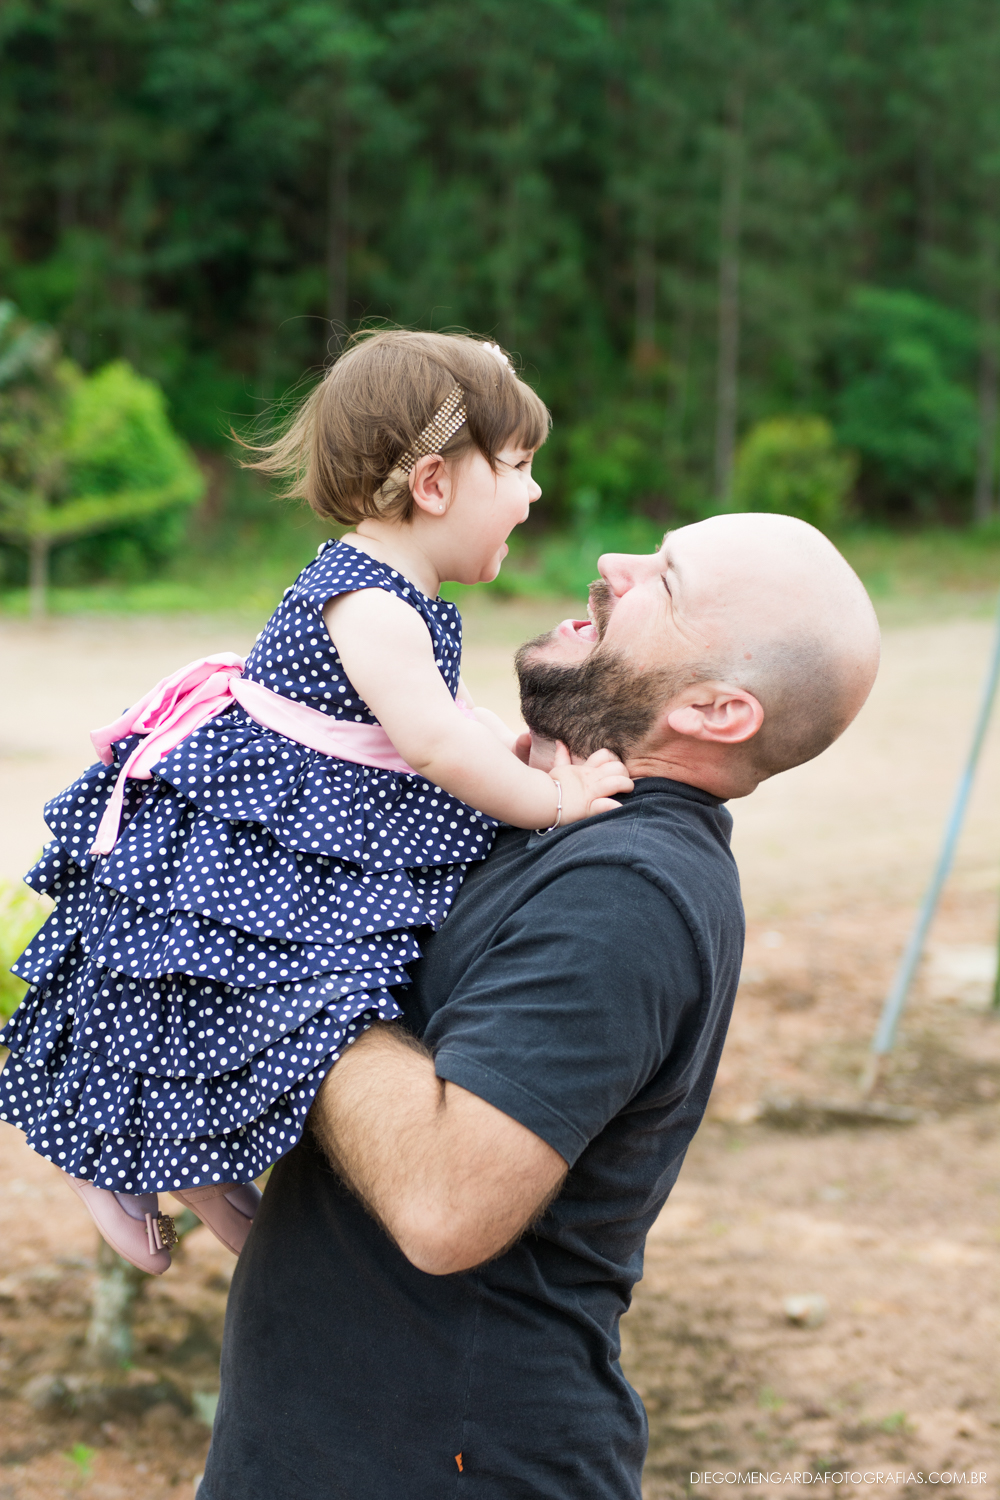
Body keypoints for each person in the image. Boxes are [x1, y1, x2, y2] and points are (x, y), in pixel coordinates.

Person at [198, 511, 881, 1500]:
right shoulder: (556, 820)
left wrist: (277, 949)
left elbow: (445, 1204)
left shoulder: (628, 890)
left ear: (716, 710)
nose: (612, 564)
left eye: (666, 580)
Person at [0, 331, 631, 1275]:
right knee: (218, 992)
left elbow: (445, 717)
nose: (535, 492)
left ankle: (201, 1169)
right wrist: (552, 796)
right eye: (520, 466)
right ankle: (113, 1158)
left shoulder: (397, 592)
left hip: (306, 823)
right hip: (259, 834)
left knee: (246, 997)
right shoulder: (370, 601)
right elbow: (429, 741)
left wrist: (499, 739)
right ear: (432, 485)